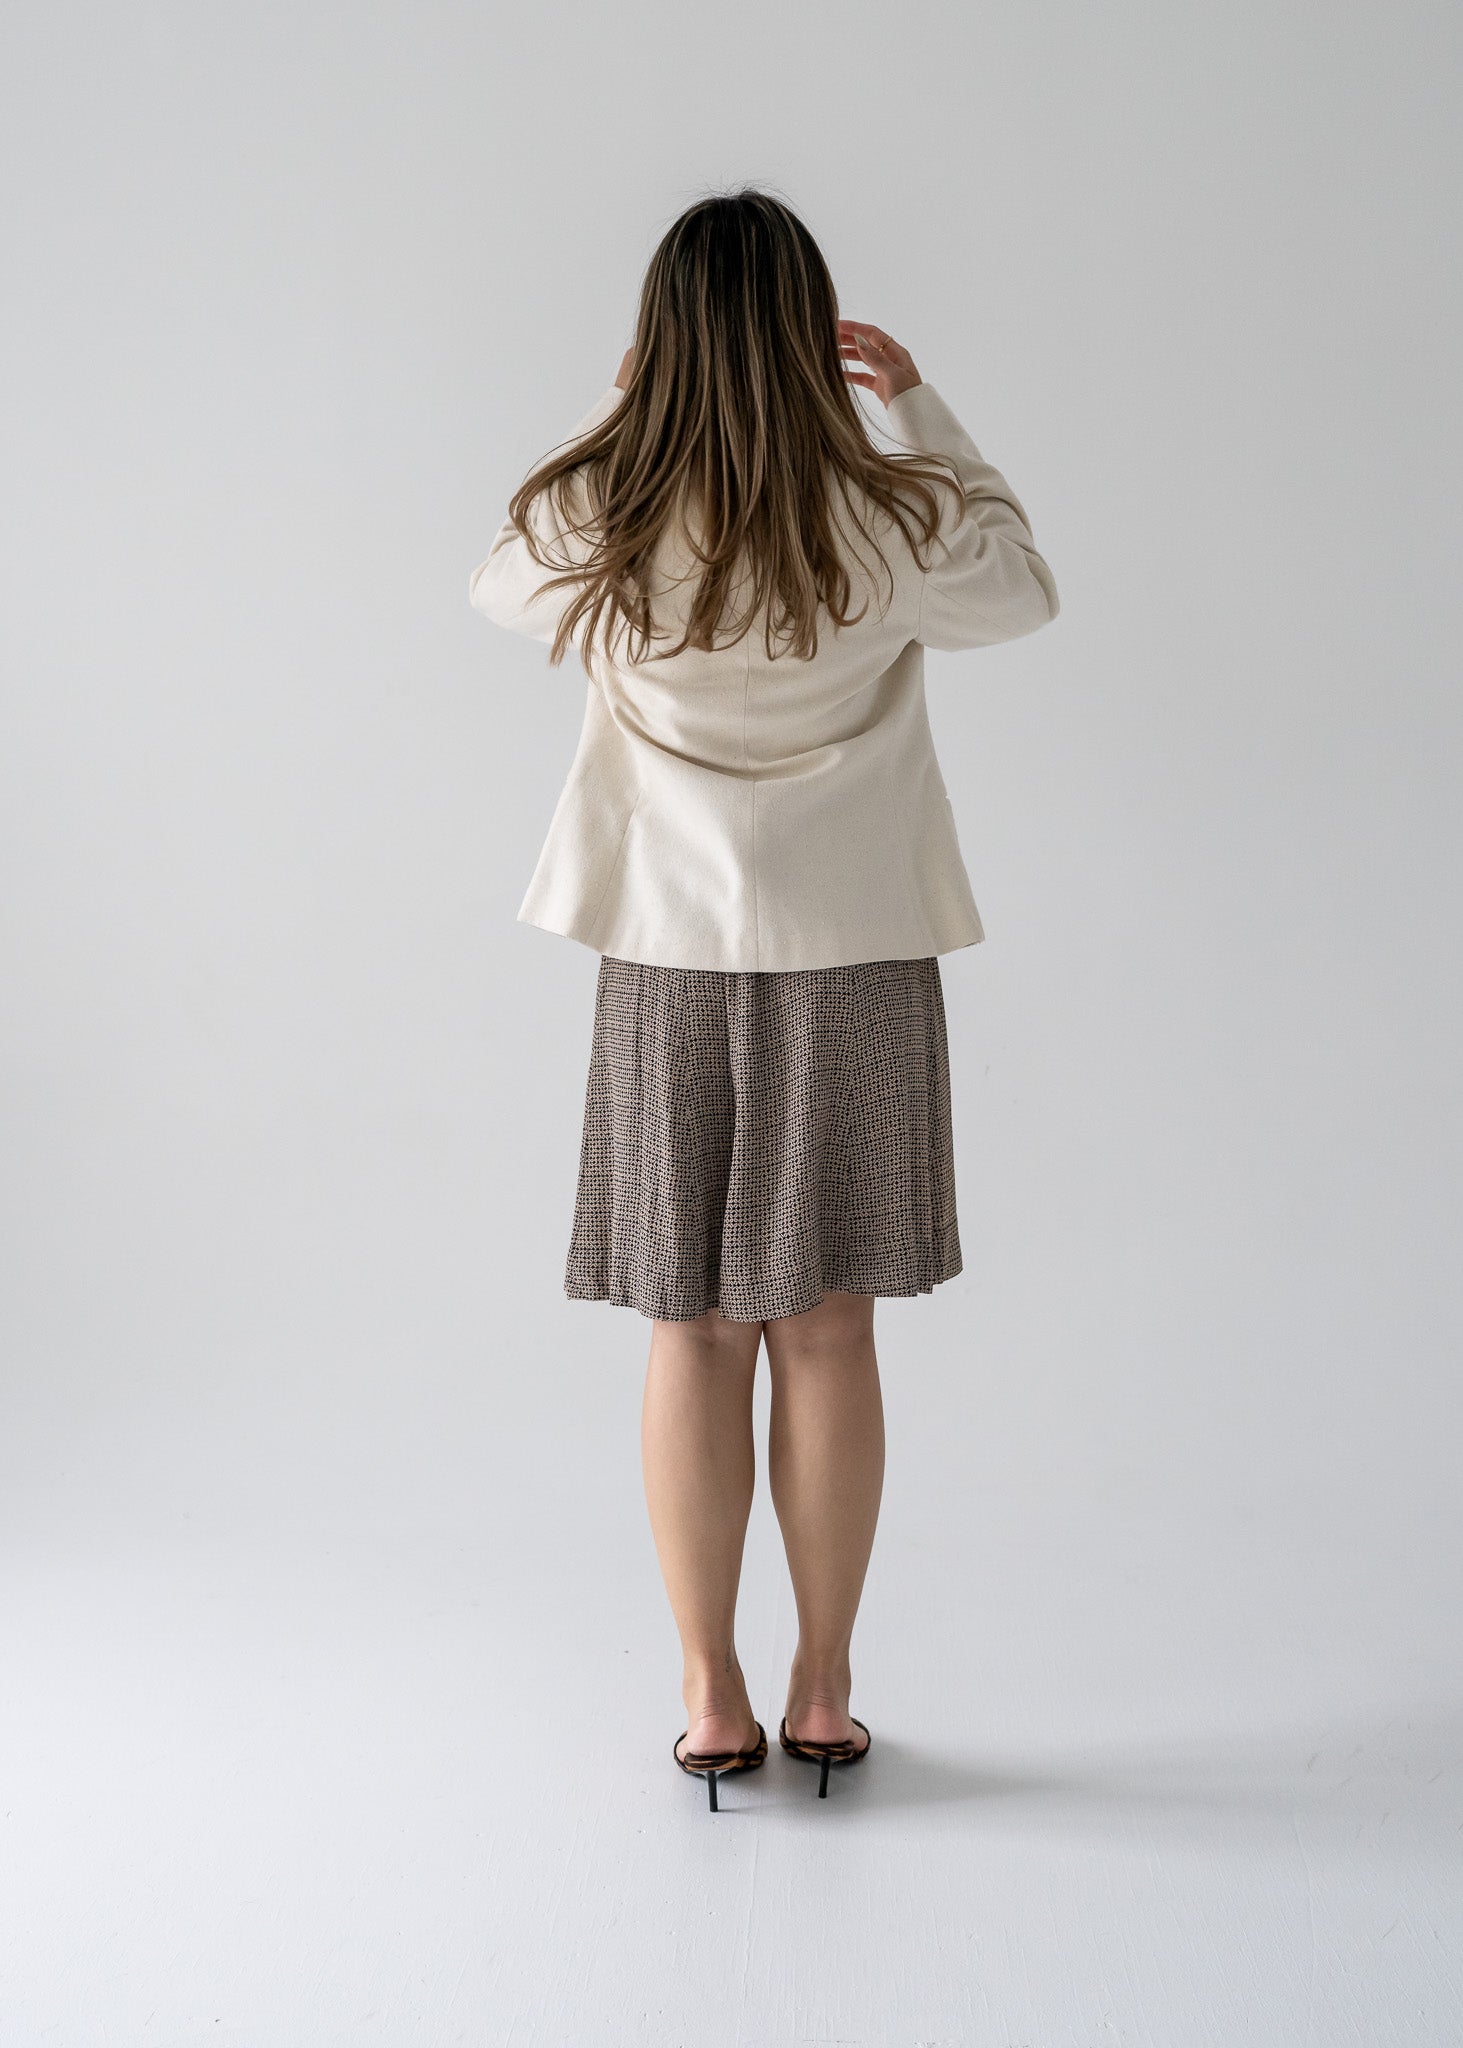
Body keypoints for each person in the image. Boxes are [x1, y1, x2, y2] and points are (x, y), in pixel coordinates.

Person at [468, 187, 1059, 1810]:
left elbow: (499, 576)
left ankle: (709, 1690)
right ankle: (823, 1687)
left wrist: (618, 415)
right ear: (813, 333)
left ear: (659, 342)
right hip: (855, 954)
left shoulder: (609, 521)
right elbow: (1023, 586)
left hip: (666, 960)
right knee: (830, 1326)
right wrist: (918, 407)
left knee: (695, 1326)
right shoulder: (889, 517)